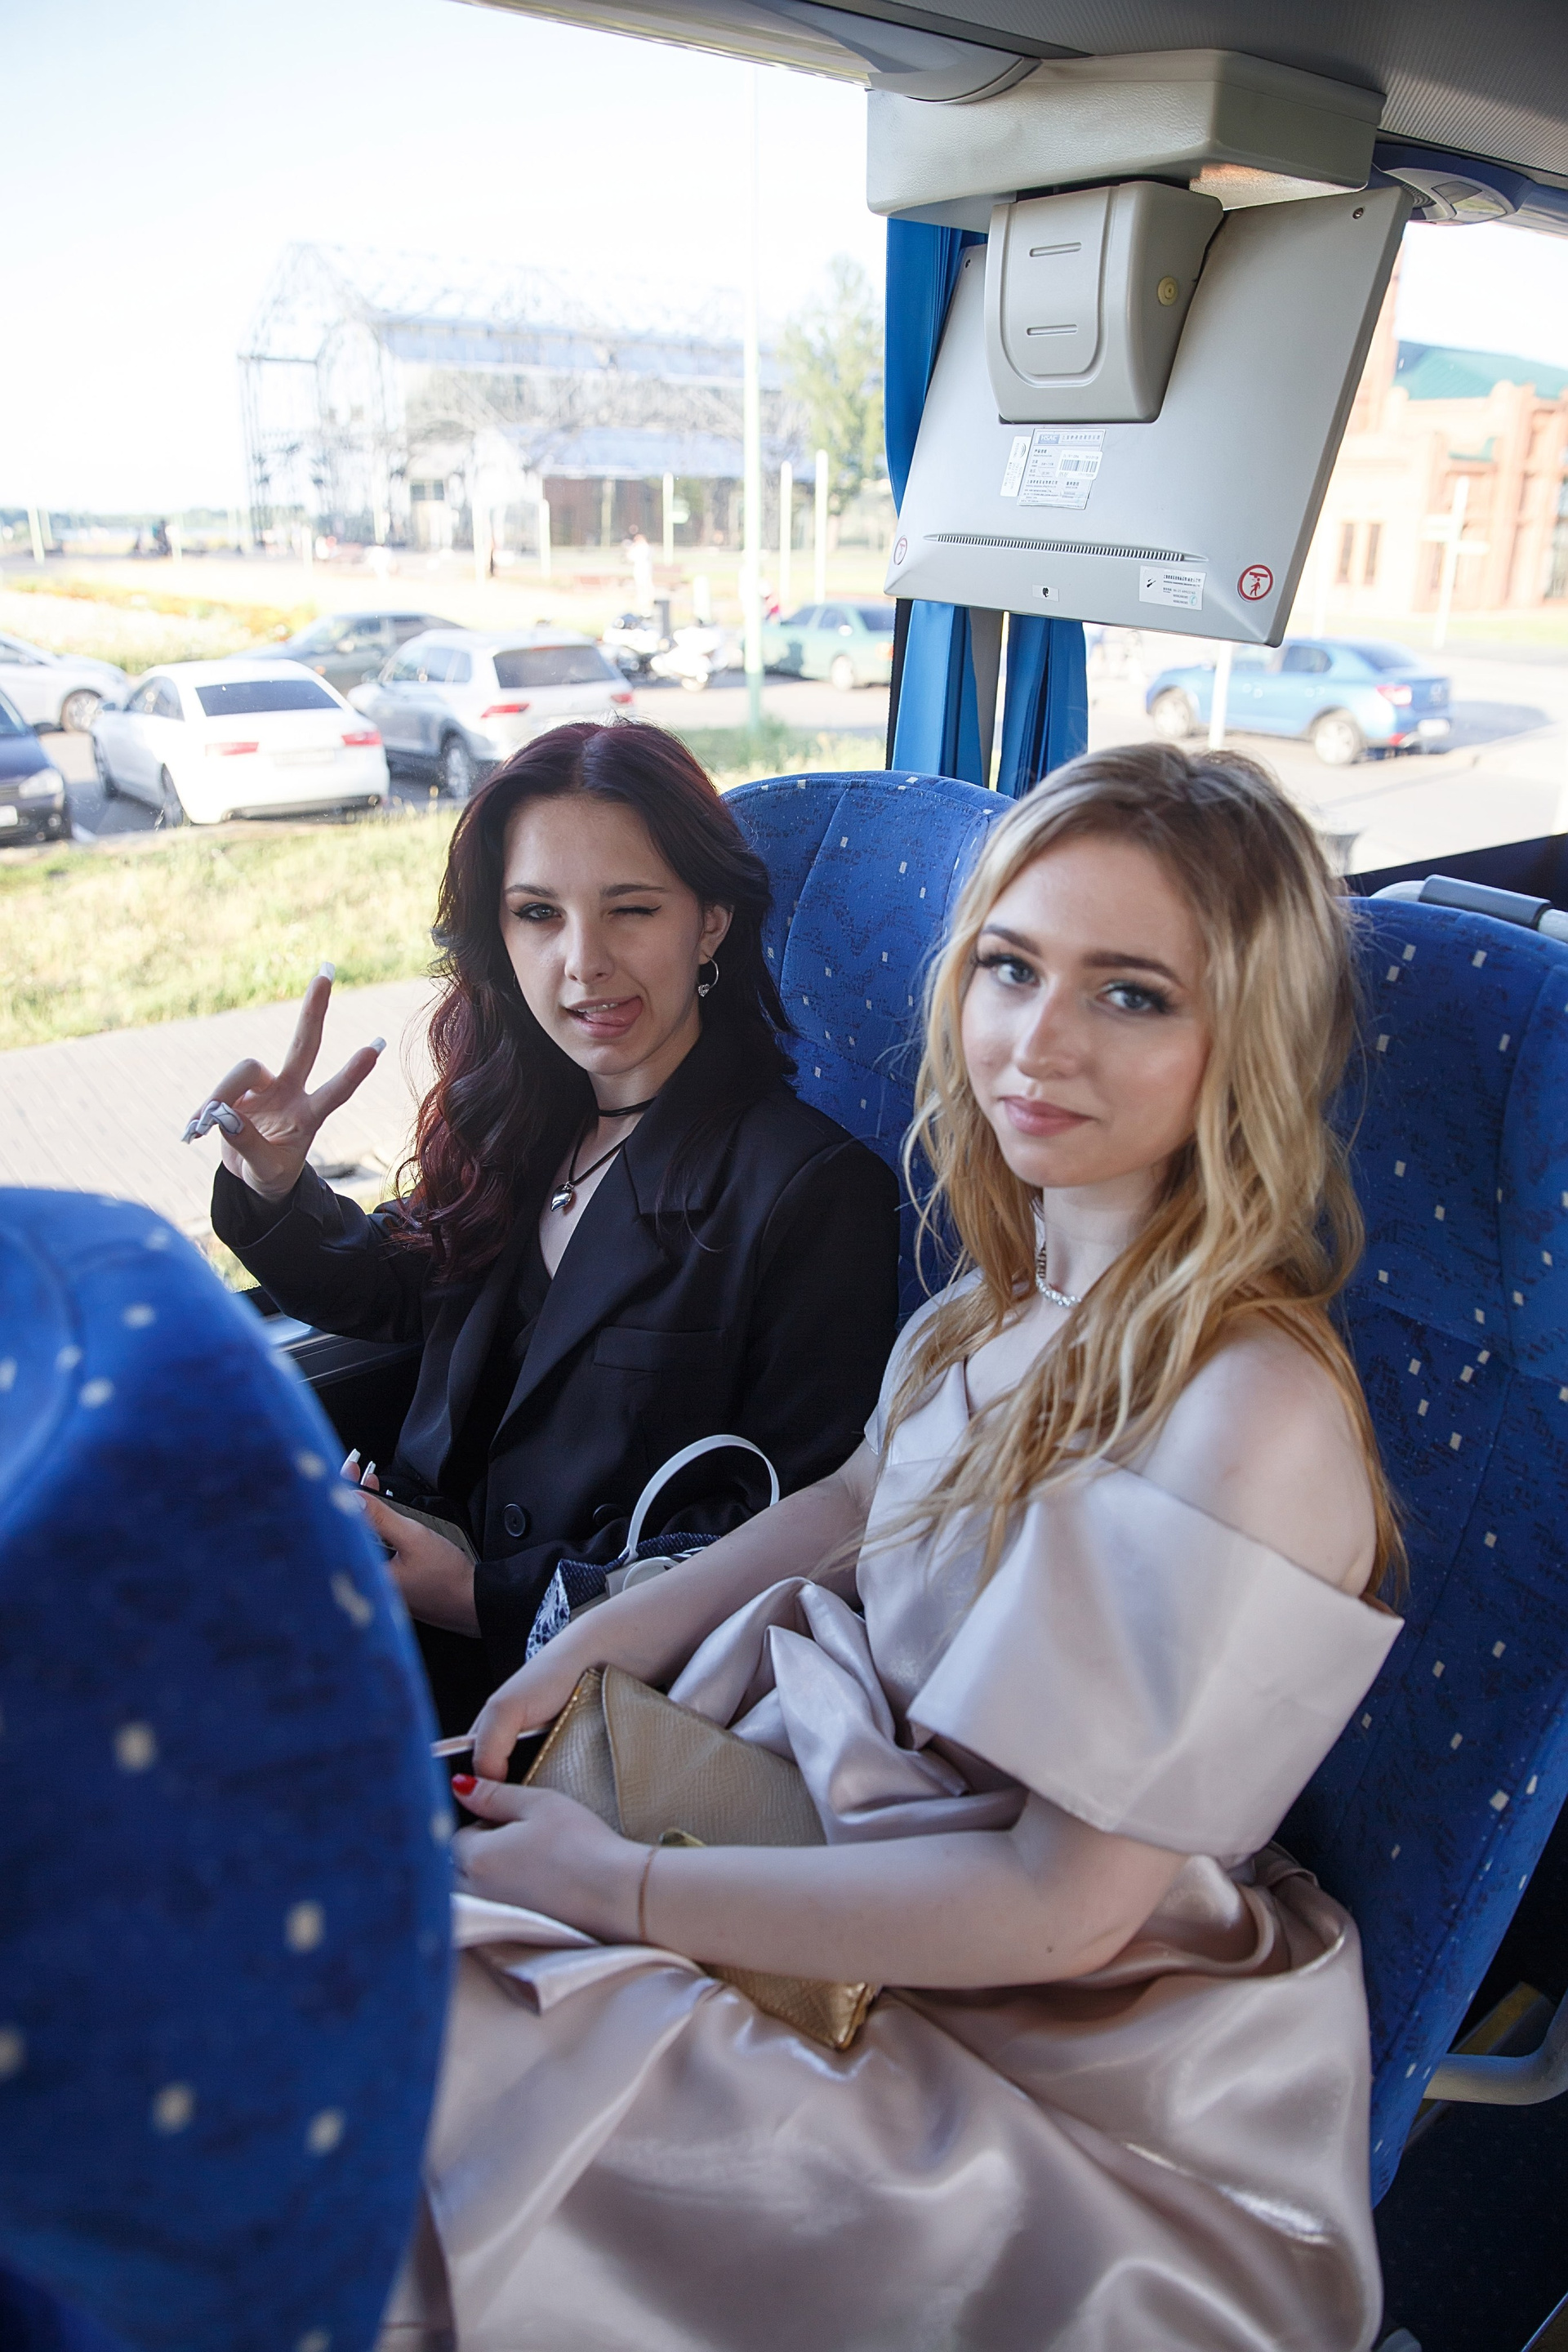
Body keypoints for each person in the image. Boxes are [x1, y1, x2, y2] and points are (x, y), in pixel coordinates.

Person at [388, 743, 1408, 2352]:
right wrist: (591, 1640)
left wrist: (629, 1890)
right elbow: (857, 1503)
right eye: (1011, 967)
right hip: (856, 1837)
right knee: (358, 1929)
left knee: (418, 2055)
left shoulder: (1246, 1411)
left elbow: (1063, 1910)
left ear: (1250, 1043)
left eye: (1130, 994)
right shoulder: (991, 1304)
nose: (1038, 1042)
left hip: (1053, 2045)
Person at [192, 722, 900, 1731]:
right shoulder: (526, 1123)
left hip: (589, 1695)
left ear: (710, 923)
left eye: (631, 910)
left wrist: (477, 1593)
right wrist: (270, 1182)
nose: (582, 963)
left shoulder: (812, 1192)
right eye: (537, 914)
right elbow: (393, 1285)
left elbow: (780, 1530)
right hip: (406, 1624)